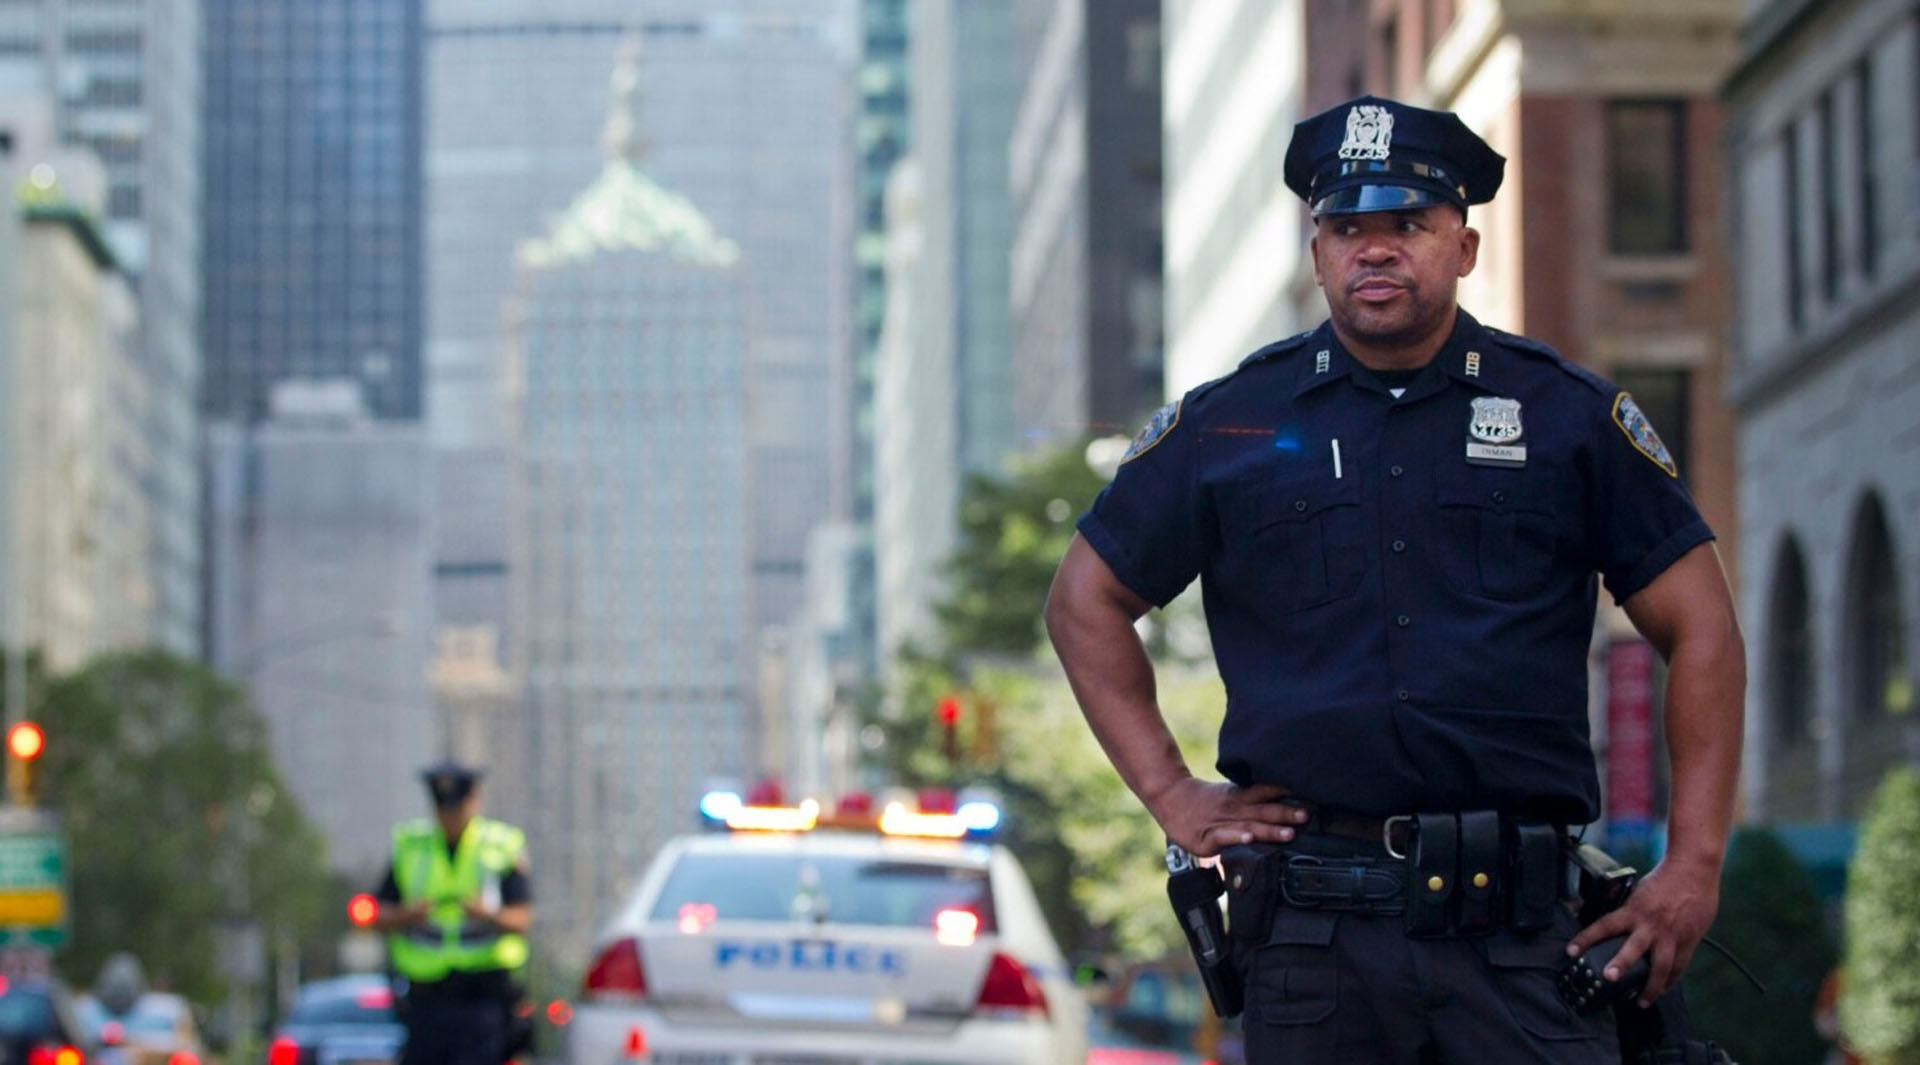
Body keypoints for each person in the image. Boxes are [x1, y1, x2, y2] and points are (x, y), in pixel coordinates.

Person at [1044, 94, 1745, 1065]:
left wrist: (1694, 864)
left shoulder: (1569, 417)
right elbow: (1085, 600)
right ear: (1317, 250)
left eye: (1407, 223)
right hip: (1316, 946)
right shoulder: (1232, 425)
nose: (1375, 250)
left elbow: (1701, 627)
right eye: (1346, 228)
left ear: (1462, 245)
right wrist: (1172, 793)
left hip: (1526, 945)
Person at [371, 761, 532, 1065]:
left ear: (475, 801)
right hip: (426, 1000)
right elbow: (377, 915)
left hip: (484, 999)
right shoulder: (411, 846)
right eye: (443, 809)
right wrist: (407, 916)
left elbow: (522, 919)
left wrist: (487, 915)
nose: (450, 817)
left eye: (457, 808)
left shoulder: (501, 846)